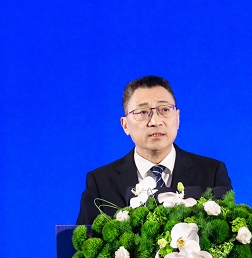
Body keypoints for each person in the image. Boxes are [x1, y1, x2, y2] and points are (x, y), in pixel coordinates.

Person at [76, 76, 232, 225]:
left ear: (177, 118)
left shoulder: (212, 173)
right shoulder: (100, 183)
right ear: (125, 125)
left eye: (164, 109)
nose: (155, 121)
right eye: (143, 112)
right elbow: (82, 241)